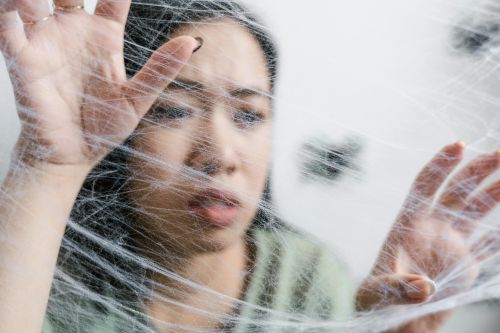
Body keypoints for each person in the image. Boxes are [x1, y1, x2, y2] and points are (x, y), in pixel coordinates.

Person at [0, 0, 499, 332]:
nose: (220, 155)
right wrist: (51, 164)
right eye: (172, 110)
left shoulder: (304, 280)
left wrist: (381, 326)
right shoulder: (44, 286)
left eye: (249, 115)